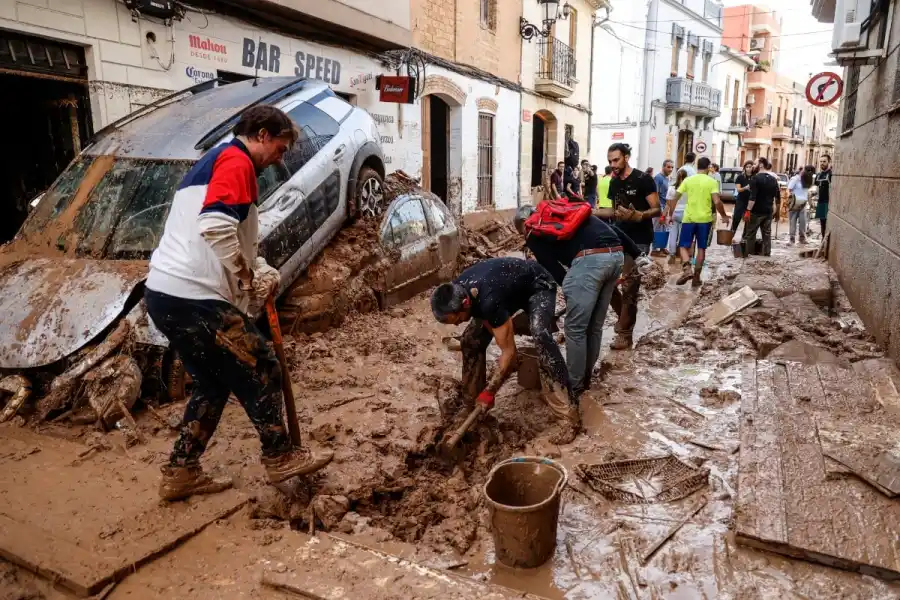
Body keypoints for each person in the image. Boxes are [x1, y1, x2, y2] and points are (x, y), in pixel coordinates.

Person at [144, 105, 333, 501]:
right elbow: (214, 225)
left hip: (165, 294)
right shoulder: (237, 160)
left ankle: (181, 471)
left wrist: (257, 264)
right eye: (280, 149)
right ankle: (279, 456)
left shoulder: (217, 162)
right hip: (192, 295)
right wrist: (248, 278)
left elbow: (227, 235)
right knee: (263, 362)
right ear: (262, 134)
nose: (279, 159)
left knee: (213, 383)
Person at [430, 257, 580, 440]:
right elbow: (485, 317)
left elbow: (509, 352)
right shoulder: (456, 290)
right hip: (505, 290)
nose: (455, 326)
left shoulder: (488, 300)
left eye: (457, 319)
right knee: (469, 340)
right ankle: (472, 404)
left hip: (538, 285)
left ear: (465, 304)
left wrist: (490, 391)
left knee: (541, 335)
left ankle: (568, 416)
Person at [515, 207, 650, 397]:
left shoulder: (532, 231)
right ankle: (585, 378)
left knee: (575, 328)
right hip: (616, 255)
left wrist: (571, 291)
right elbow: (615, 231)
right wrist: (636, 254)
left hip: (590, 260)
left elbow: (553, 268)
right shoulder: (568, 212)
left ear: (523, 224)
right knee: (594, 326)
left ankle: (574, 387)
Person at [605, 142, 661, 350]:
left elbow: (657, 209)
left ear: (626, 157)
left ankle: (624, 334)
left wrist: (640, 215)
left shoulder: (643, 179)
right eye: (610, 161)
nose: (613, 164)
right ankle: (624, 321)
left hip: (639, 239)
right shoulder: (613, 182)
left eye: (616, 160)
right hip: (618, 237)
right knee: (609, 284)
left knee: (629, 287)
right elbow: (613, 212)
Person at [669, 157, 730, 287]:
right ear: (708, 167)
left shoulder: (688, 180)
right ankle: (696, 278)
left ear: (697, 166)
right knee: (701, 248)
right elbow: (717, 201)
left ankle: (687, 269)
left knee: (683, 246)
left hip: (689, 219)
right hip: (705, 220)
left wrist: (670, 214)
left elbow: (675, 198)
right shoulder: (712, 181)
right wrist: (724, 215)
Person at [743, 156, 780, 256]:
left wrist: (747, 210)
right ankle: (767, 254)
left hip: (756, 212)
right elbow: (777, 198)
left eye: (755, 164)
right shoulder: (773, 179)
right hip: (768, 212)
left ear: (761, 165)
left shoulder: (755, 179)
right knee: (767, 235)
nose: (753, 166)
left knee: (750, 234)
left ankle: (749, 255)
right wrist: (777, 214)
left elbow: (752, 198)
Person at [665, 168, 689, 260]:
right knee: (684, 234)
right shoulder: (688, 189)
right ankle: (682, 255)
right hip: (686, 213)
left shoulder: (671, 188)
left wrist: (670, 215)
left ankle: (672, 254)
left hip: (675, 212)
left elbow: (669, 203)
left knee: (673, 234)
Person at [652, 160, 675, 255]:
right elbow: (655, 194)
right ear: (663, 167)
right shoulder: (658, 178)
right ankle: (654, 249)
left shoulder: (667, 178)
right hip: (659, 207)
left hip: (665, 207)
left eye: (672, 167)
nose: (670, 169)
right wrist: (659, 209)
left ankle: (662, 248)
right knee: (657, 228)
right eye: (668, 167)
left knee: (664, 228)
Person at [788, 165, 814, 244]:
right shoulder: (795, 179)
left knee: (803, 221)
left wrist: (810, 201)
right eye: (807, 171)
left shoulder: (808, 179)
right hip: (795, 202)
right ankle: (792, 238)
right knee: (793, 221)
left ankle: (802, 238)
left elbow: (807, 191)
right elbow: (789, 188)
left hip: (803, 203)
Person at [731, 161, 754, 236]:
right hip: (741, 200)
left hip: (750, 201)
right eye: (747, 167)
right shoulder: (740, 177)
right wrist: (746, 188)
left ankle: (744, 238)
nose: (748, 169)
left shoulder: (754, 177)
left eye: (750, 167)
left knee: (748, 220)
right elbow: (738, 189)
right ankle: (731, 235)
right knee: (736, 218)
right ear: (744, 168)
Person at [815, 154, 832, 235]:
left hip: (828, 203)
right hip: (821, 203)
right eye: (821, 161)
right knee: (822, 224)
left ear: (829, 162)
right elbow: (816, 188)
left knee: (828, 224)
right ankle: (823, 243)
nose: (822, 163)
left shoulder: (832, 174)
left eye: (824, 161)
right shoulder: (818, 175)